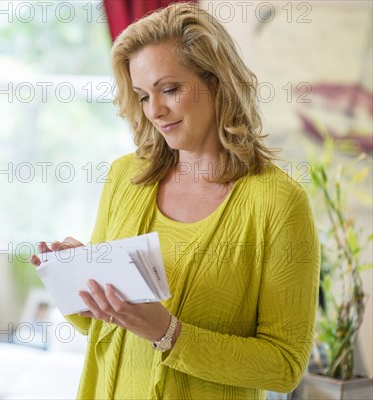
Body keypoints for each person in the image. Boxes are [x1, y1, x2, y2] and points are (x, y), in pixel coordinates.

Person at [30, 3, 319, 399]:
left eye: (170, 89)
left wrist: (168, 334)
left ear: (217, 83)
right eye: (143, 96)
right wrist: (78, 282)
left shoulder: (278, 203)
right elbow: (99, 326)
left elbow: (284, 366)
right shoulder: (125, 177)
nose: (155, 111)